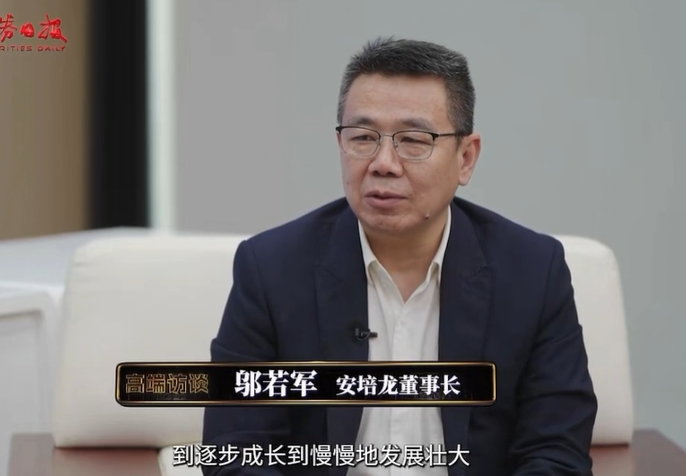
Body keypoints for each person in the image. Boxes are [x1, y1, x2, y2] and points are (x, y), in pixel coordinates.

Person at [202, 37, 597, 476]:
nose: (383, 163)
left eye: (413, 140)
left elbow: (556, 453)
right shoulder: (271, 269)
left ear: (466, 158)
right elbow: (234, 453)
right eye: (363, 138)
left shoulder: (533, 273)